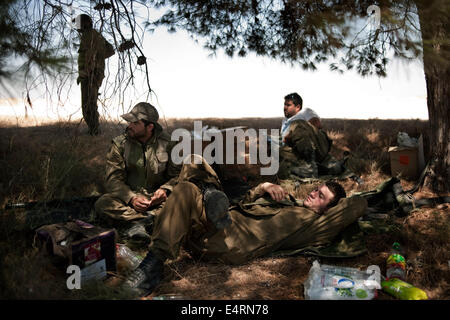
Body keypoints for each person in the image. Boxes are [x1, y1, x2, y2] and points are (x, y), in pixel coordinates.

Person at [122, 155, 367, 296]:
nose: (314, 194)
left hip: (229, 242)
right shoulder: (287, 200)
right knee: (193, 167)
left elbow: (356, 206)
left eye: (321, 197)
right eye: (316, 190)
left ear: (329, 209)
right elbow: (246, 203)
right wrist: (263, 187)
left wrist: (338, 202)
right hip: (218, 223)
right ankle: (155, 261)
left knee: (194, 192)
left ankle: (150, 266)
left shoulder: (314, 224)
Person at [95, 102, 181, 242]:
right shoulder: (119, 144)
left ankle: (137, 224)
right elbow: (113, 180)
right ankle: (146, 222)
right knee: (102, 203)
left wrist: (165, 190)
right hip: (128, 200)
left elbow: (177, 175)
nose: (129, 126)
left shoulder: (169, 143)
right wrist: (131, 198)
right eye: (129, 122)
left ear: (150, 127)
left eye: (135, 123)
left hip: (158, 200)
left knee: (180, 202)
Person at [76, 14, 115, 136]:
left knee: (88, 104)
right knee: (90, 102)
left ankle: (94, 131)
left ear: (86, 23)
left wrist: (88, 69)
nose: (76, 26)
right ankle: (94, 130)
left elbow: (88, 55)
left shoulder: (89, 35)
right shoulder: (96, 35)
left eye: (78, 22)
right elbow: (111, 50)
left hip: (90, 74)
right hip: (95, 73)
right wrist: (98, 59)